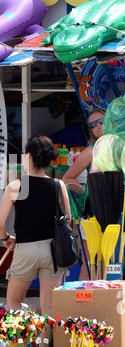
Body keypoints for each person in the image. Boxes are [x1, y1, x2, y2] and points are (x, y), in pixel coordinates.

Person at [0, 134, 71, 347]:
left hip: (25, 249)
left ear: (28, 156)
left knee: (13, 302)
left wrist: (6, 237)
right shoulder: (58, 185)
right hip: (52, 251)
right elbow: (66, 220)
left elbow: (0, 224)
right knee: (49, 307)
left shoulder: (16, 186)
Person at [62, 108, 105, 279]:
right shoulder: (90, 151)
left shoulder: (120, 147)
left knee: (113, 263)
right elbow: (67, 178)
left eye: (101, 121)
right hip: (93, 213)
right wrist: (86, 190)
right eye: (92, 125)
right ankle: (82, 305)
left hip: (118, 212)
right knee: (90, 264)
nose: (97, 126)